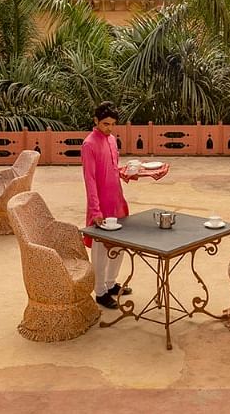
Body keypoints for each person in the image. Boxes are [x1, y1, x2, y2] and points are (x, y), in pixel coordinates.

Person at [81, 101, 132, 308]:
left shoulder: (112, 140)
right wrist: (95, 210)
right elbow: (90, 179)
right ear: (96, 121)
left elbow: (113, 168)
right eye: (105, 124)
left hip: (116, 201)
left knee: (118, 246)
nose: (109, 128)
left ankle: (111, 284)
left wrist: (128, 173)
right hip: (100, 206)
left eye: (112, 124)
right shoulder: (89, 144)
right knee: (101, 250)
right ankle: (100, 291)